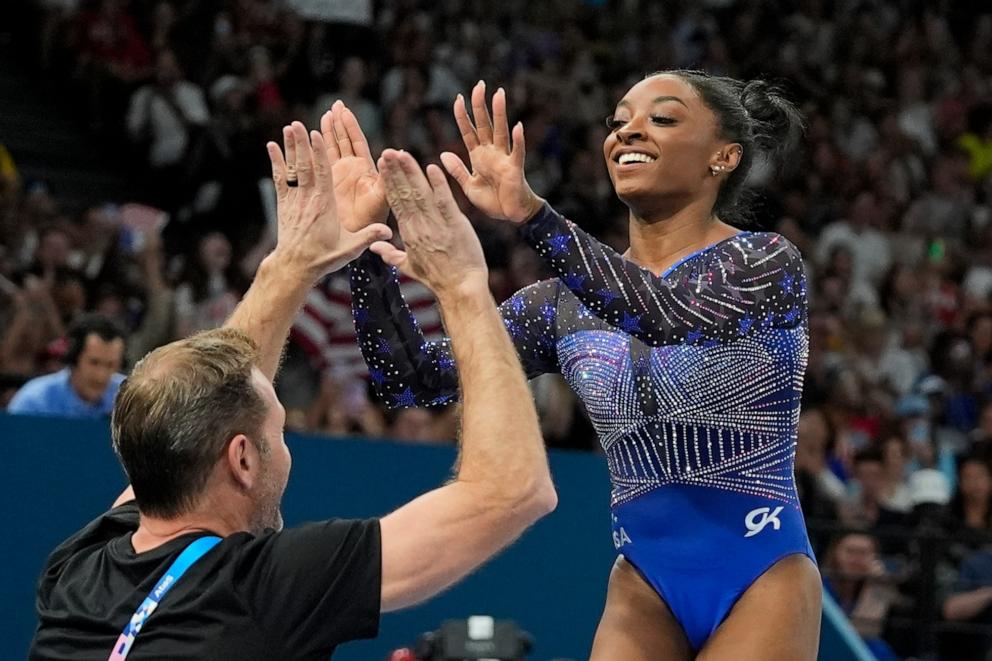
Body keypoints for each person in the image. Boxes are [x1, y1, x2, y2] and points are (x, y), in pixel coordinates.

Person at [337, 71, 821, 659]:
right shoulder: (564, 304)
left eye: (661, 119)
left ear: (723, 156)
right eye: (618, 122)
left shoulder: (765, 261)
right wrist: (363, 248)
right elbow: (414, 380)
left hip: (761, 569)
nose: (627, 132)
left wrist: (532, 215)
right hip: (645, 578)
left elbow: (663, 314)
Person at [28, 124, 556, 659]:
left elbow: (210, 392)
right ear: (242, 459)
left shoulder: (80, 569)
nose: (285, 446)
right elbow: (512, 492)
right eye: (278, 432)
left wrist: (295, 261)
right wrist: (464, 287)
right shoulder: (269, 587)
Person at [7, 313, 126, 417]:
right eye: (94, 363)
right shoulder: (35, 402)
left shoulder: (130, 398)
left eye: (111, 365)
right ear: (74, 358)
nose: (101, 375)